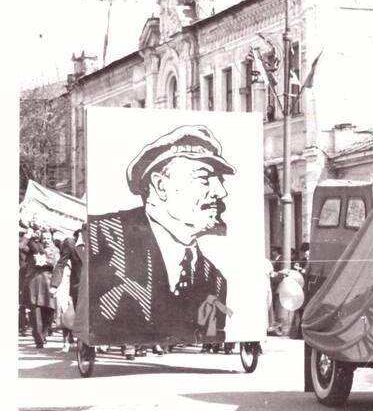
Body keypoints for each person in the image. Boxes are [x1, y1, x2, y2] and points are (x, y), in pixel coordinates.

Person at [88, 125, 235, 345]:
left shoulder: (215, 280)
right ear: (160, 186)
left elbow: (211, 329)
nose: (220, 192)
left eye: (220, 180)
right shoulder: (104, 236)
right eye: (205, 178)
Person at [25, 227, 58, 348]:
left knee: (49, 312)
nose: (46, 240)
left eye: (48, 238)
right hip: (34, 283)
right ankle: (39, 338)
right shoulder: (34, 248)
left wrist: (45, 261)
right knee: (35, 312)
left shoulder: (56, 250)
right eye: (44, 238)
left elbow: (57, 264)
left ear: (52, 239)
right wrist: (28, 236)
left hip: (48, 283)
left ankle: (43, 333)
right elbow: (21, 247)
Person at [50, 230, 82, 353]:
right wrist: (54, 285)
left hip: (95, 283)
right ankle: (79, 342)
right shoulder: (70, 243)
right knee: (77, 314)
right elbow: (60, 265)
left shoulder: (99, 239)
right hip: (77, 285)